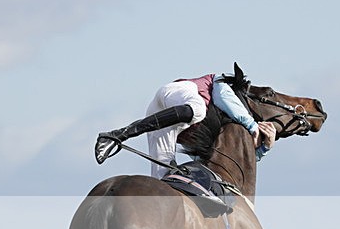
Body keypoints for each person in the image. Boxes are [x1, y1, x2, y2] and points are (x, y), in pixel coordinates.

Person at [94, 71, 276, 177]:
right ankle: (118, 134)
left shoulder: (213, 134)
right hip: (179, 92)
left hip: (161, 117)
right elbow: (224, 98)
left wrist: (263, 149)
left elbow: (224, 160)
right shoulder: (221, 84)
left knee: (163, 177)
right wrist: (253, 126)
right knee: (198, 110)